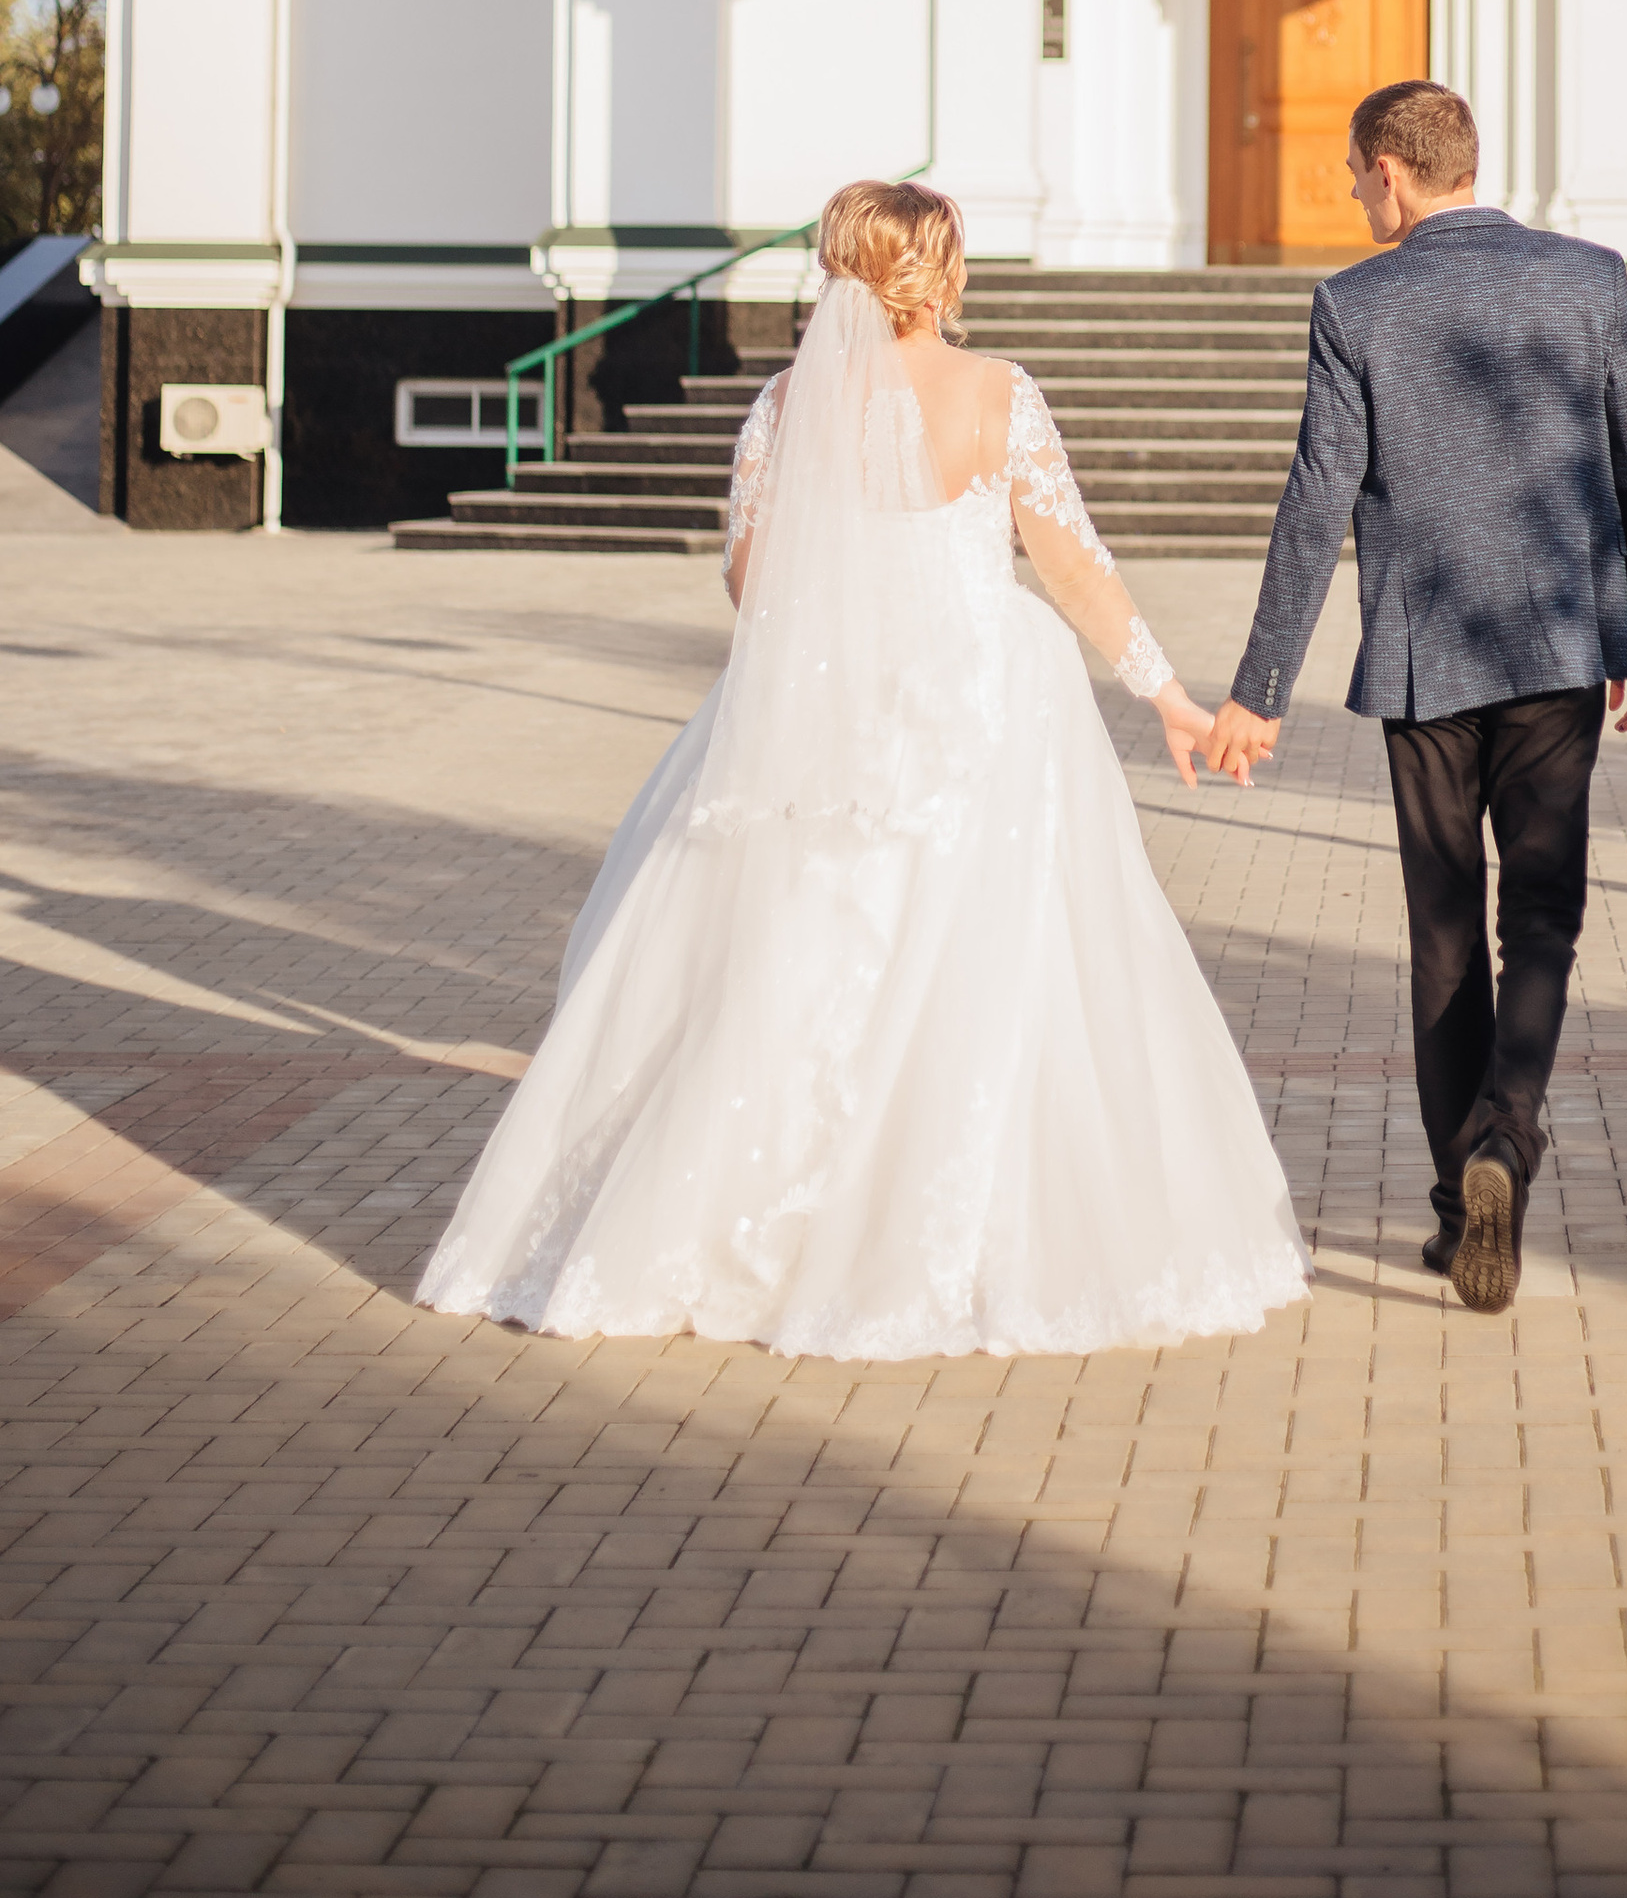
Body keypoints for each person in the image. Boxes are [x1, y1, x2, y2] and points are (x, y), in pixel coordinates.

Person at [419, 179, 1307, 1359]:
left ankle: (743, 1231)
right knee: (984, 967)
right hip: (981, 711)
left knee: (796, 956)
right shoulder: (999, 394)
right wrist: (1168, 697)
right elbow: (1072, 564)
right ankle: (928, 1236)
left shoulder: (784, 409)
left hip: (819, 713)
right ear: (941, 272)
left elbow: (750, 588)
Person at [1208, 82, 1627, 1319]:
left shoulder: (1356, 303)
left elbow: (1317, 501)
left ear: (1392, 171)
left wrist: (1260, 689)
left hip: (1425, 668)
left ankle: (1449, 1201)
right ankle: (1505, 1141)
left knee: (1442, 933)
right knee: (1545, 920)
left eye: (1356, 179)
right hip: (1561, 653)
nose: (1355, 197)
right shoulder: (1589, 280)